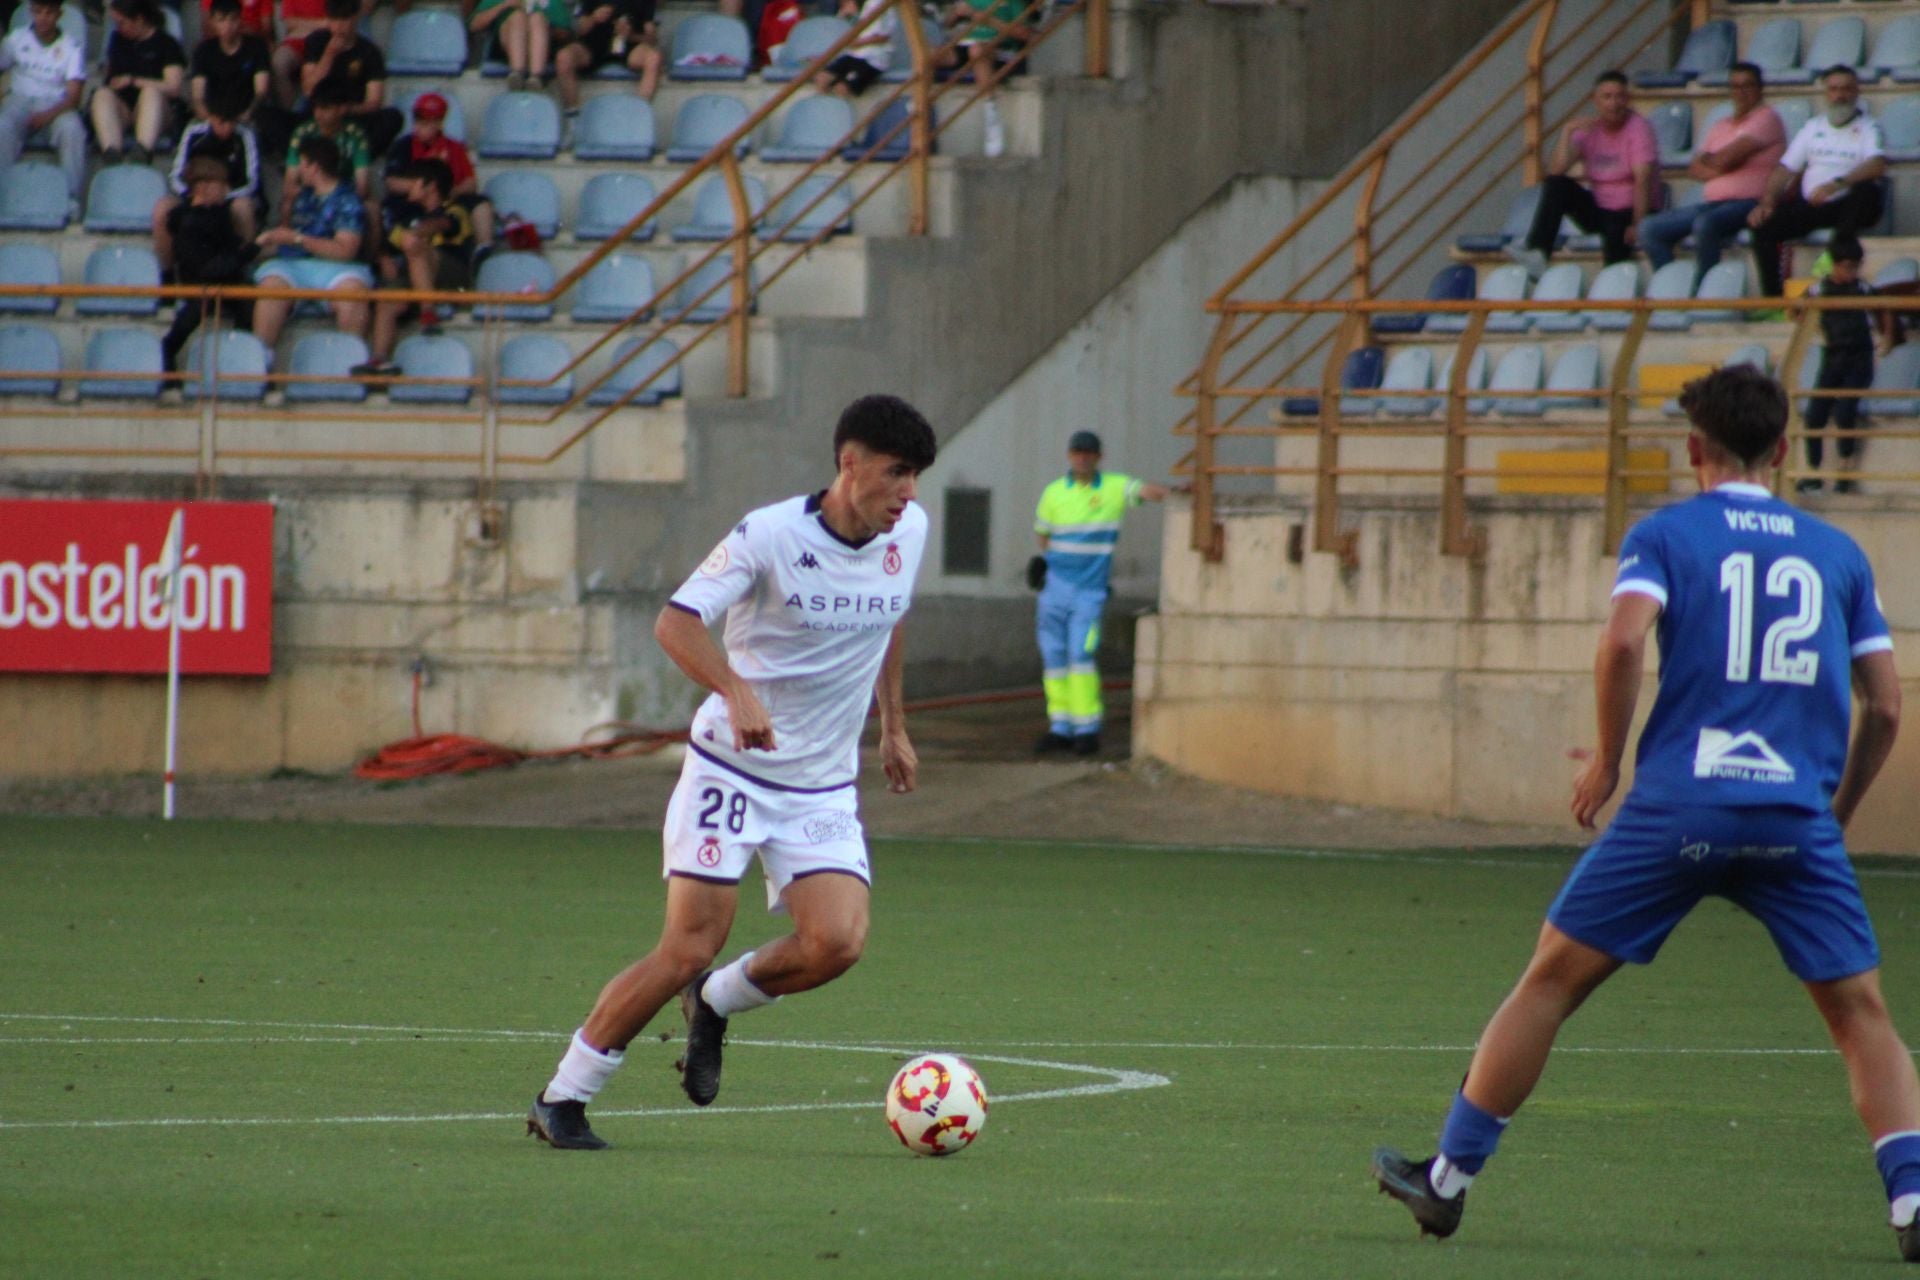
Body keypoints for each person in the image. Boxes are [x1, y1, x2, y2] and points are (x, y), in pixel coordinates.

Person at [1371, 363, 1919, 1262]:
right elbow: (1889, 706)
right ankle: (1913, 1201)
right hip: (1793, 819)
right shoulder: (1838, 554)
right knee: (1863, 1015)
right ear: (1783, 450)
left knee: (1551, 981)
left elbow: (1624, 639)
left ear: (1693, 448)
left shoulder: (1667, 533)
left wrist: (1611, 763)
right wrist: (1835, 813)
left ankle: (1446, 1182)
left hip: (1680, 810)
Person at [526, 394, 938, 1151]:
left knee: (837, 943)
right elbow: (674, 622)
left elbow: (893, 614)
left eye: (917, 478)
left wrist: (895, 725)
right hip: (732, 771)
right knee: (687, 944)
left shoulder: (906, 531)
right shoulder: (769, 534)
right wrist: (735, 688)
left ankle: (713, 1003)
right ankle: (563, 1097)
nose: (910, 493)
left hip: (821, 783)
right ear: (850, 466)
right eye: (897, 473)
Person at [1030, 430, 1170, 756]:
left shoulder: (1112, 487)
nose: (1082, 457)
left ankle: (1087, 730)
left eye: (1088, 452)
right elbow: (1043, 536)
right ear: (1069, 455)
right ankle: (1060, 728)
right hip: (1053, 590)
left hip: (1088, 594)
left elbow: (1144, 490)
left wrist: (1175, 493)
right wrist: (1047, 567)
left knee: (1080, 657)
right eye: (1077, 452)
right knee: (1053, 659)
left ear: (1098, 457)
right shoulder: (1053, 493)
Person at [1638, 62, 1784, 284]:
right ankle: (1673, 287)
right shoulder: (1721, 125)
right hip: (1714, 203)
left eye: (1747, 85)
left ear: (1760, 89)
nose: (1740, 92)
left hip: (1750, 202)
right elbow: (1694, 169)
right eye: (1735, 86)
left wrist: (1718, 161)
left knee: (1705, 224)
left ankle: (1704, 289)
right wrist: (1722, 163)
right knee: (1650, 228)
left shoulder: (1767, 118)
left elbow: (1725, 158)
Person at [1749, 65, 1887, 300]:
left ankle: (1832, 262)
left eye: (1845, 89)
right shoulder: (1813, 127)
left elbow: (1877, 164)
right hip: (1814, 204)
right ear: (1826, 93)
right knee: (1764, 225)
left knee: (1867, 191)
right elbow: (1785, 169)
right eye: (1834, 89)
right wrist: (1768, 201)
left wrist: (1836, 185)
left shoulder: (1869, 127)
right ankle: (1773, 300)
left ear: (1856, 92)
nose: (1839, 95)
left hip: (1849, 202)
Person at [1510, 69, 1657, 273]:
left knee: (1616, 232)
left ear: (1628, 99)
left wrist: (1638, 223)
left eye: (1620, 97)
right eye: (1607, 97)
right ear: (1595, 101)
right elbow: (1556, 170)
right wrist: (1567, 131)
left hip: (1630, 211)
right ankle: (1538, 252)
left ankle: (1614, 290)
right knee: (1557, 185)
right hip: (1601, 210)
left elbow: (1643, 179)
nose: (1614, 104)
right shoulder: (1591, 128)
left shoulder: (1639, 128)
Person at [251, 133, 372, 351]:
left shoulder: (347, 199)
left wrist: (297, 239)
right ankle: (261, 361)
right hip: (295, 266)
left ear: (314, 167)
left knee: (353, 294)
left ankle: (351, 362)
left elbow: (345, 250)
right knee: (270, 288)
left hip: (337, 269)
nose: (299, 170)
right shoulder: (302, 196)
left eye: (302, 164)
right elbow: (286, 238)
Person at [354, 158, 474, 376]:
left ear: (430, 186)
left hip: (452, 276)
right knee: (387, 299)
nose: (408, 186)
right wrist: (384, 258)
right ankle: (379, 359)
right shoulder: (409, 217)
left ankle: (429, 313)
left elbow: (443, 224)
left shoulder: (456, 210)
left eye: (414, 181)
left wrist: (417, 231)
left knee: (413, 243)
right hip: (418, 276)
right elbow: (387, 245)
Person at [1800, 234, 1886, 496]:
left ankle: (1845, 471)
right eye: (1846, 267)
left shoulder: (1863, 290)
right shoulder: (1819, 290)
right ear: (1835, 265)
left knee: (1846, 411)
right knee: (1815, 414)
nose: (1850, 273)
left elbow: (1885, 313)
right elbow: (1796, 309)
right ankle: (1814, 473)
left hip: (1859, 358)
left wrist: (1888, 338)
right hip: (1833, 356)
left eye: (1854, 267)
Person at [160, 155, 260, 372]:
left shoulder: (219, 216)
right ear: (202, 187)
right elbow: (207, 268)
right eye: (220, 185)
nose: (226, 190)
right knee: (200, 303)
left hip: (225, 281)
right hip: (200, 284)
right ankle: (168, 352)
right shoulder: (189, 224)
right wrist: (247, 253)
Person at [153, 82, 262, 272]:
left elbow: (252, 181)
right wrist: (195, 194)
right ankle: (167, 277)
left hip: (230, 198)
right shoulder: (194, 133)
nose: (227, 128)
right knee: (163, 209)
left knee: (244, 207)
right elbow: (176, 175)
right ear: (210, 117)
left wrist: (222, 195)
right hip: (194, 198)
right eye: (222, 121)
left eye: (232, 122)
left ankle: (244, 272)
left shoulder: (245, 136)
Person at [384, 91, 495, 262]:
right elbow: (391, 181)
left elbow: (471, 183)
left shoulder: (454, 147)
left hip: (447, 201)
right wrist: (423, 186)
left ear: (438, 123)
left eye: (425, 122)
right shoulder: (403, 146)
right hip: (412, 202)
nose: (418, 127)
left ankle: (483, 252)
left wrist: (447, 191)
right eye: (417, 121)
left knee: (480, 204)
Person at [0, 0, 86, 212]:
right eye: (38, 12)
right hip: (19, 100)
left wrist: (46, 115)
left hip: (56, 105)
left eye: (49, 13)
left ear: (59, 14)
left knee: (73, 130)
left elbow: (74, 96)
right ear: (31, 12)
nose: (43, 18)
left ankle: (70, 198)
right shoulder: (16, 39)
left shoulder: (71, 46)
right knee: (2, 126)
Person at [89, 0, 187, 164]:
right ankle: (112, 153)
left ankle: (143, 151)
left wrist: (134, 81)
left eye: (122, 23)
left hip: (159, 110)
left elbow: (173, 87)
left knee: (150, 93)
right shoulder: (117, 41)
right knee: (101, 94)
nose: (119, 27)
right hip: (125, 107)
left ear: (139, 19)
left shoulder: (167, 44)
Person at [298, 0, 403, 154]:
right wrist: (329, 55)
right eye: (334, 20)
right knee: (270, 117)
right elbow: (309, 89)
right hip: (319, 113)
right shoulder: (316, 41)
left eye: (344, 19)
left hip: (353, 113)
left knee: (392, 118)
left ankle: (355, 157)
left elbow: (374, 101)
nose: (339, 27)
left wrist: (346, 110)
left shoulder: (369, 51)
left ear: (355, 18)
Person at [954, 0, 1031, 159]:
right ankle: (916, 106)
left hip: (999, 47)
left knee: (977, 51)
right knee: (929, 55)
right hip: (965, 43)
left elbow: (1024, 33)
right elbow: (947, 23)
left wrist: (985, 19)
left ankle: (991, 114)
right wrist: (956, 14)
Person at [554, 0, 662, 110]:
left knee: (654, 58)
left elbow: (651, 38)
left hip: (629, 45)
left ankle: (638, 113)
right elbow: (579, 31)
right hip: (593, 45)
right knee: (564, 57)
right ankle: (573, 113)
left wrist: (631, 35)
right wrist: (594, 18)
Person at [284, 77, 372, 204]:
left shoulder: (355, 135)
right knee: (287, 203)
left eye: (325, 108)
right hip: (310, 194)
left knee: (371, 208)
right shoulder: (303, 133)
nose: (317, 114)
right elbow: (290, 181)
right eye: (315, 108)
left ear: (342, 109)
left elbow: (362, 186)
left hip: (345, 195)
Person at [188, 0, 272, 125]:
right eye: (221, 20)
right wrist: (212, 120)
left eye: (233, 19)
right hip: (213, 118)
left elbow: (261, 92)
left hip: (247, 117)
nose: (228, 26)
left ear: (240, 20)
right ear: (212, 22)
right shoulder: (203, 51)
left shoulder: (256, 47)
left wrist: (246, 115)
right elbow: (197, 96)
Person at [470, 0, 572, 93]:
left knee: (537, 18)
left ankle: (536, 78)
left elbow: (565, 33)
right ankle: (517, 74)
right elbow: (474, 25)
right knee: (518, 17)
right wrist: (505, 5)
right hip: (506, 47)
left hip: (542, 49)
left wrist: (547, 27)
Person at [813, 0, 890, 96]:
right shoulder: (859, 5)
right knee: (822, 78)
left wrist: (857, 43)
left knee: (841, 88)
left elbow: (884, 37)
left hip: (872, 59)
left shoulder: (880, 4)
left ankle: (839, 110)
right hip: (853, 54)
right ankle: (823, 108)